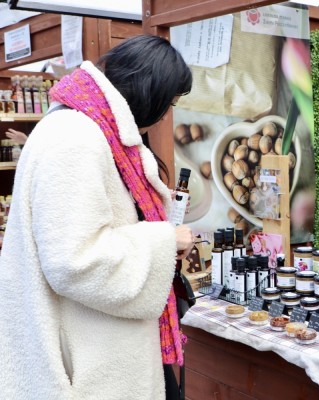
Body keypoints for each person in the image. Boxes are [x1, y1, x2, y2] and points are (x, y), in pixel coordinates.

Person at [0, 35, 195, 399]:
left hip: (96, 351)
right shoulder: (77, 137)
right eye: (166, 103)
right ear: (147, 92)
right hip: (92, 364)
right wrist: (165, 241)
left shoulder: (84, 126)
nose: (166, 115)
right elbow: (76, 260)